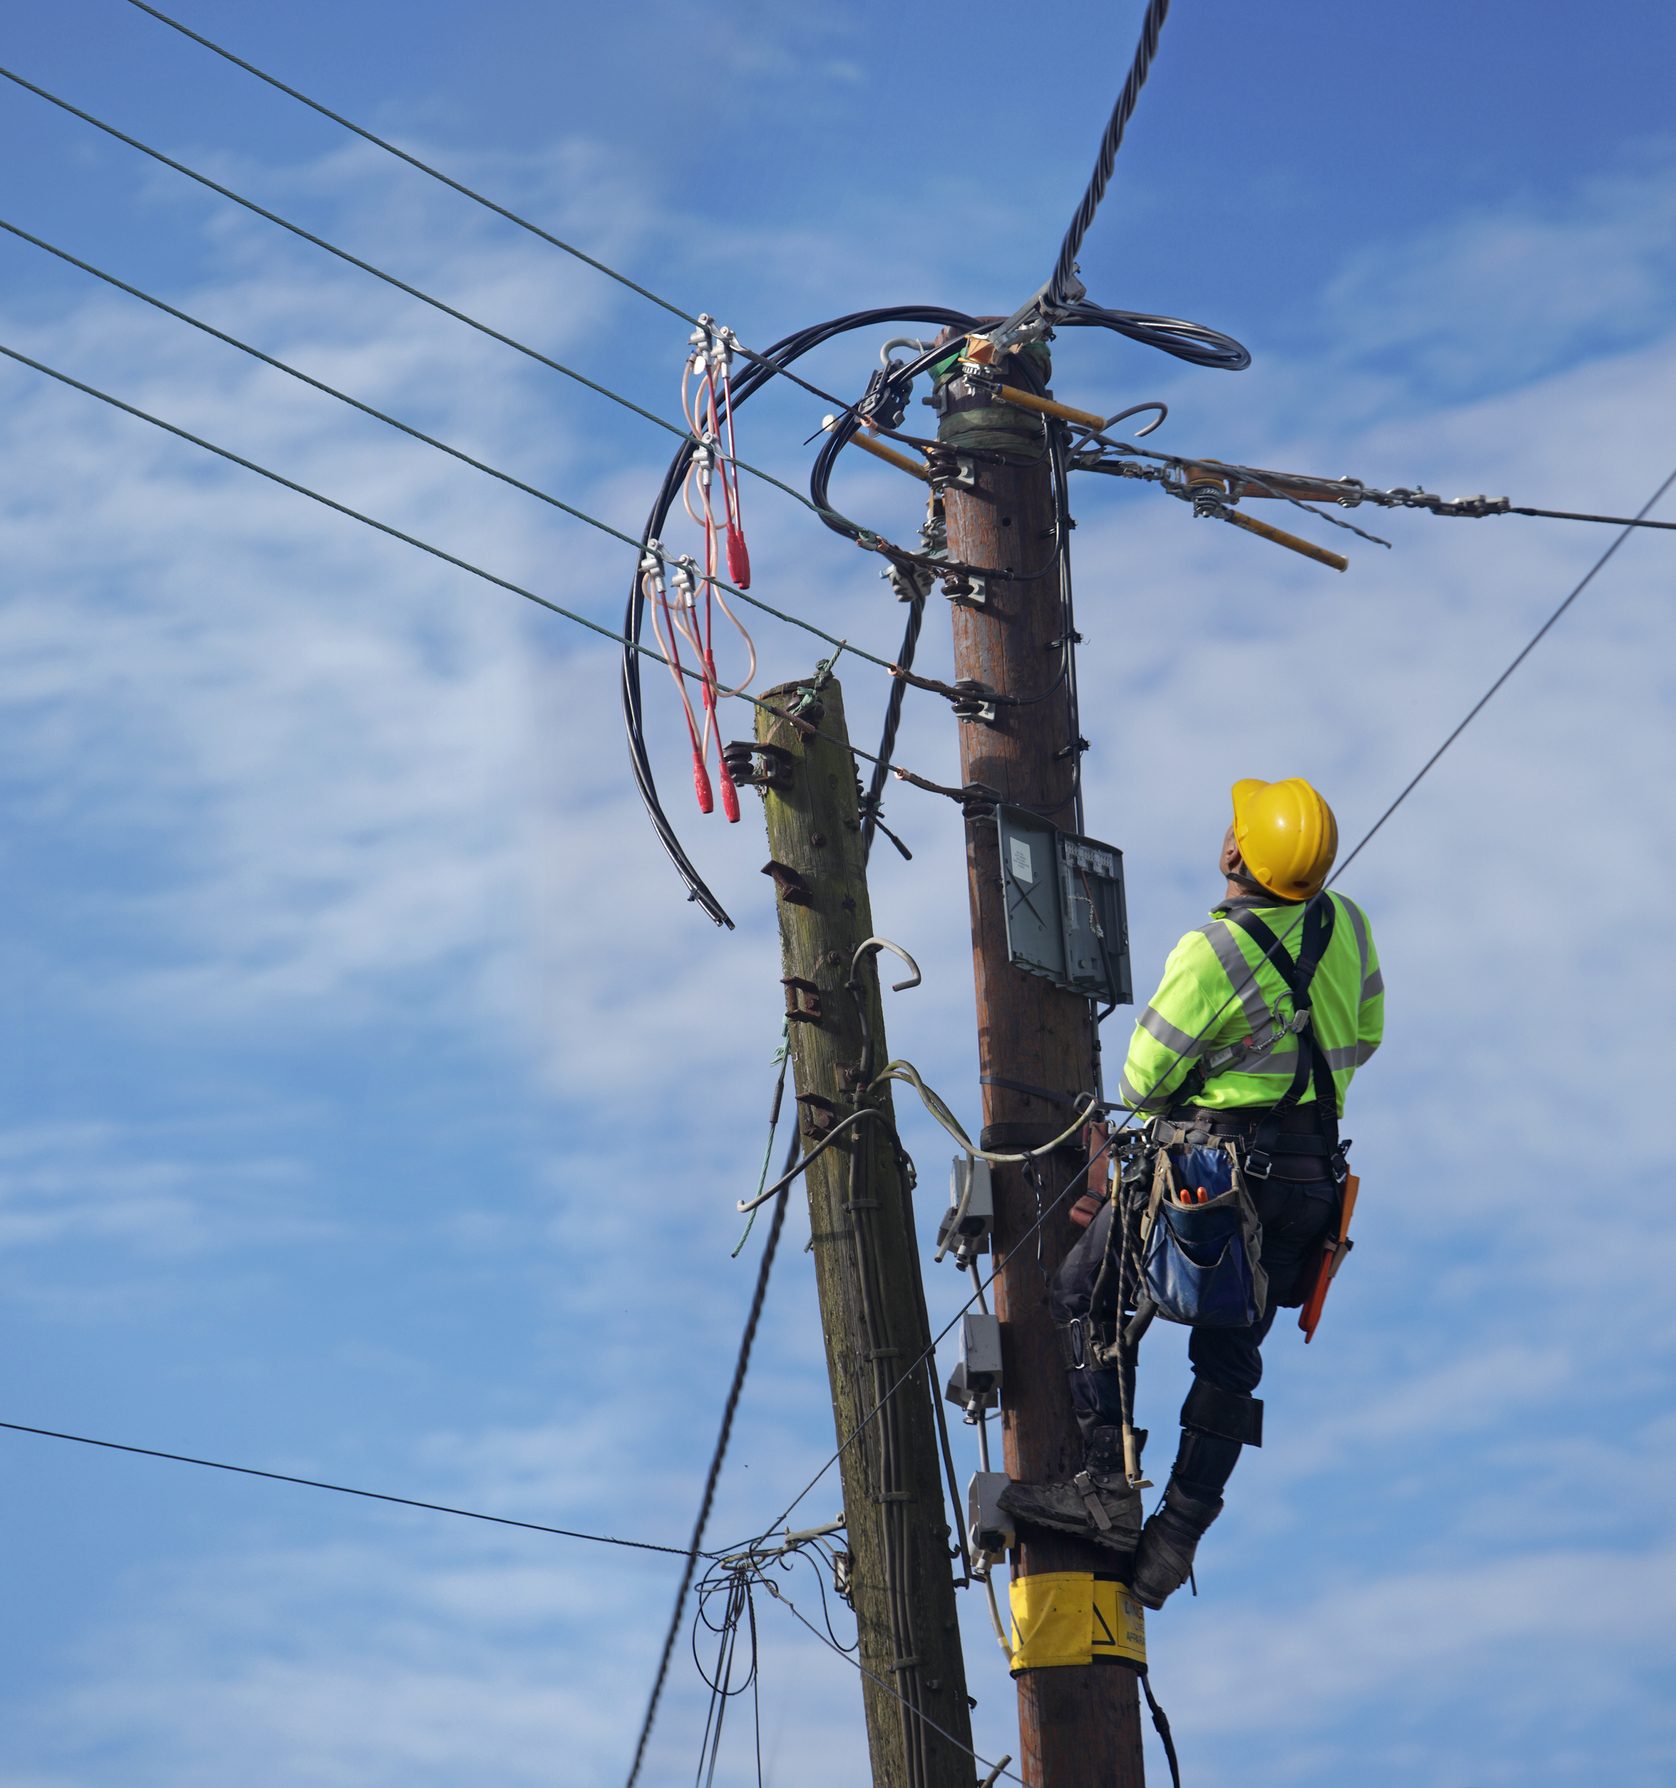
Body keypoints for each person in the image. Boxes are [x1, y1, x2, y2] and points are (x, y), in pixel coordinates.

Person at [1001, 777, 1383, 1607]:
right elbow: (1367, 1033)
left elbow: (1144, 1079)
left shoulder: (1212, 954)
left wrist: (1227, 1076)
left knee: (1086, 1296)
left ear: (1236, 854)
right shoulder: (1346, 923)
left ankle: (1106, 1490)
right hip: (1311, 1186)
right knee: (1231, 1356)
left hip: (1216, 1182)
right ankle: (1175, 1535)